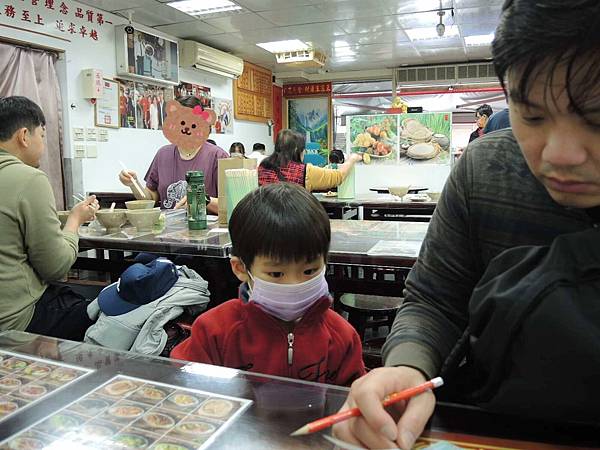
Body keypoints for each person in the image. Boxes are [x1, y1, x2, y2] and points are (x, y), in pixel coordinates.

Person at [333, 0, 600, 448]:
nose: (559, 154)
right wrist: (407, 369)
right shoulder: (485, 170)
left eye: (595, 119)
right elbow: (436, 301)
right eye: (532, 116)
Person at [171, 182, 366, 386]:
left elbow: (354, 400)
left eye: (310, 271)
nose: (294, 284)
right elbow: (185, 389)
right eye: (276, 273)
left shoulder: (341, 335)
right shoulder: (214, 331)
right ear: (240, 268)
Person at [0, 96, 99, 339]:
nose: (43, 146)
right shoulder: (29, 178)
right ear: (24, 136)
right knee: (105, 308)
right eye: (42, 136)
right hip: (16, 319)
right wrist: (75, 219)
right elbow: (56, 266)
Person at [118, 96, 225, 212]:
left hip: (205, 228)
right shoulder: (163, 154)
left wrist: (202, 199)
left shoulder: (218, 157)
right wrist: (134, 184)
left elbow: (232, 204)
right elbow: (151, 197)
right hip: (169, 226)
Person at [258, 129, 362, 192]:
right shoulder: (305, 171)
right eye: (304, 149)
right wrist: (352, 159)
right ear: (296, 150)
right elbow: (338, 177)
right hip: (293, 223)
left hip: (264, 222)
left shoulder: (263, 166)